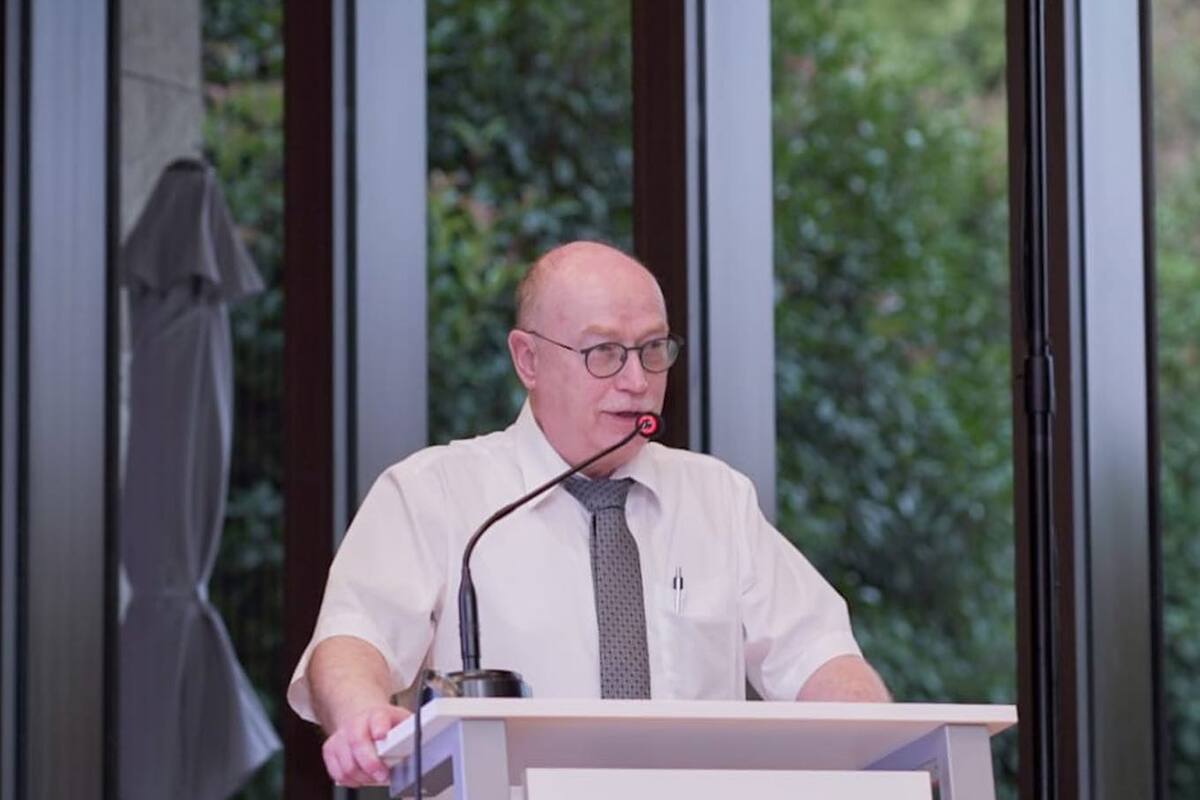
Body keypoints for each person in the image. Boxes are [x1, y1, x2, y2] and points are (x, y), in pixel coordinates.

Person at [288, 240, 890, 787]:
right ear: (528, 360)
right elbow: (352, 638)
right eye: (605, 352)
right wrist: (362, 714)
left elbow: (819, 655)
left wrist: (887, 751)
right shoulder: (436, 493)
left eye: (654, 350)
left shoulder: (716, 499)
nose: (636, 380)